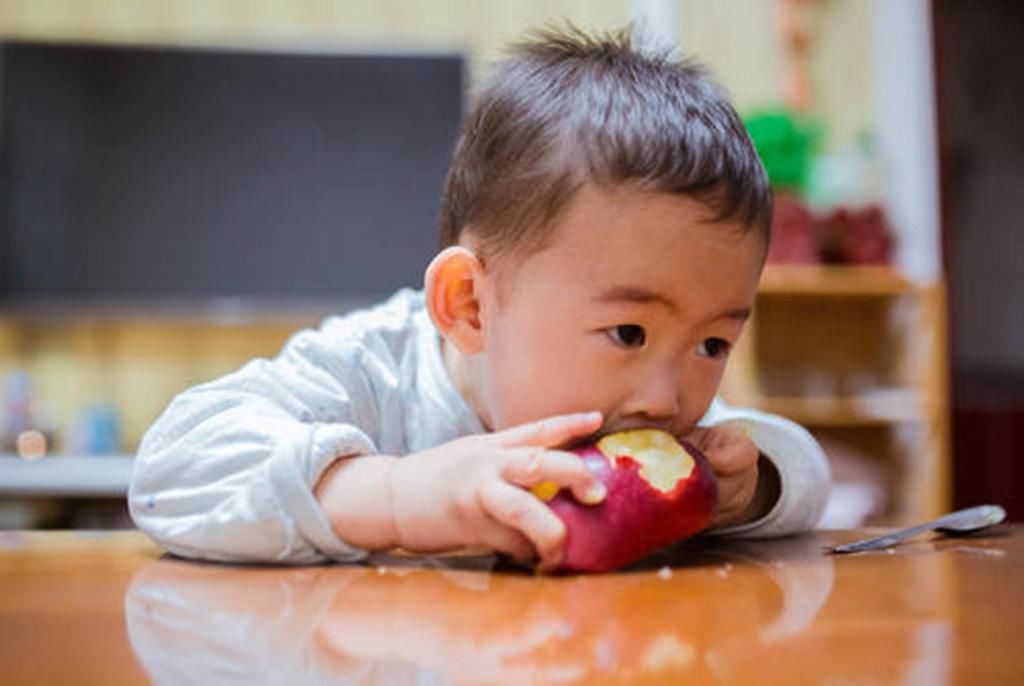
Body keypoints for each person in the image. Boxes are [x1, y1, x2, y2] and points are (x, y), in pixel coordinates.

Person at [129, 25, 829, 570]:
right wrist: (397, 497)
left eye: (713, 344)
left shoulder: (649, 417)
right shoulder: (372, 374)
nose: (668, 398)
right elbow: (171, 472)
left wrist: (750, 488)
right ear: (469, 305)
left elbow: (802, 469)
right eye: (628, 333)